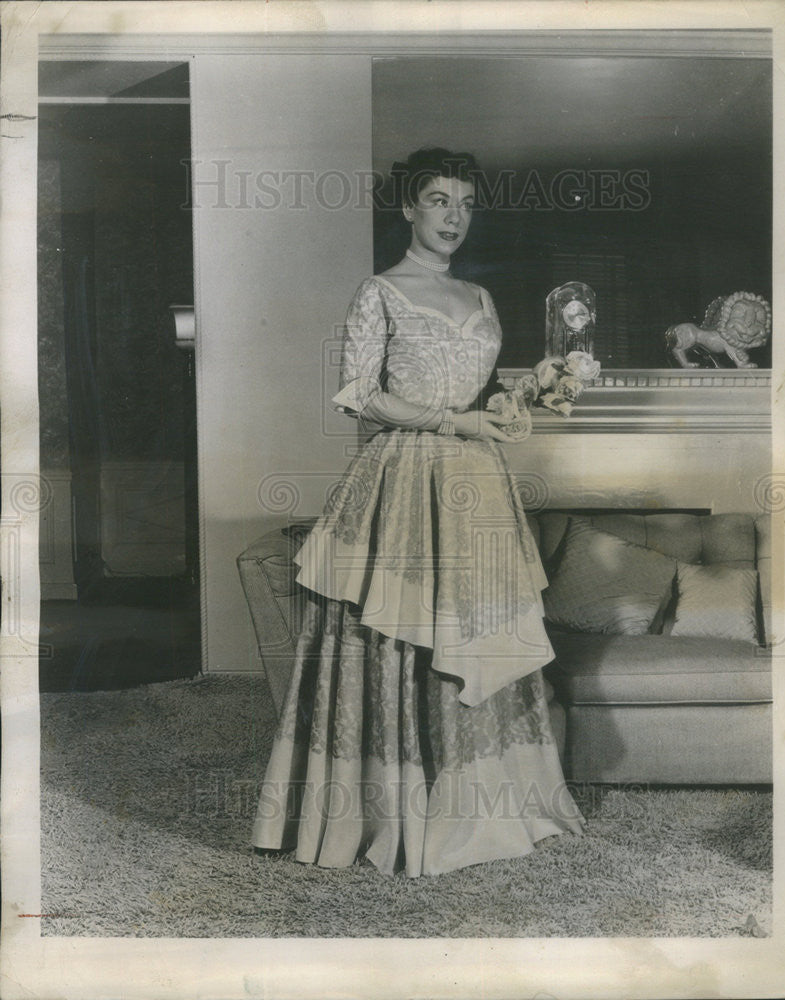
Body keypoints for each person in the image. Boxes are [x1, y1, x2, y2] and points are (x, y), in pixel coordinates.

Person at [252, 148, 584, 877]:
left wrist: (536, 390)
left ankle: (483, 806)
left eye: (464, 202)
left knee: (474, 624)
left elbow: (488, 406)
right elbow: (360, 393)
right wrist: (446, 423)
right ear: (408, 209)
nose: (453, 216)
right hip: (403, 477)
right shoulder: (378, 290)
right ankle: (393, 810)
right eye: (437, 200)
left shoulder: (482, 299)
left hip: (477, 483)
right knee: (400, 633)